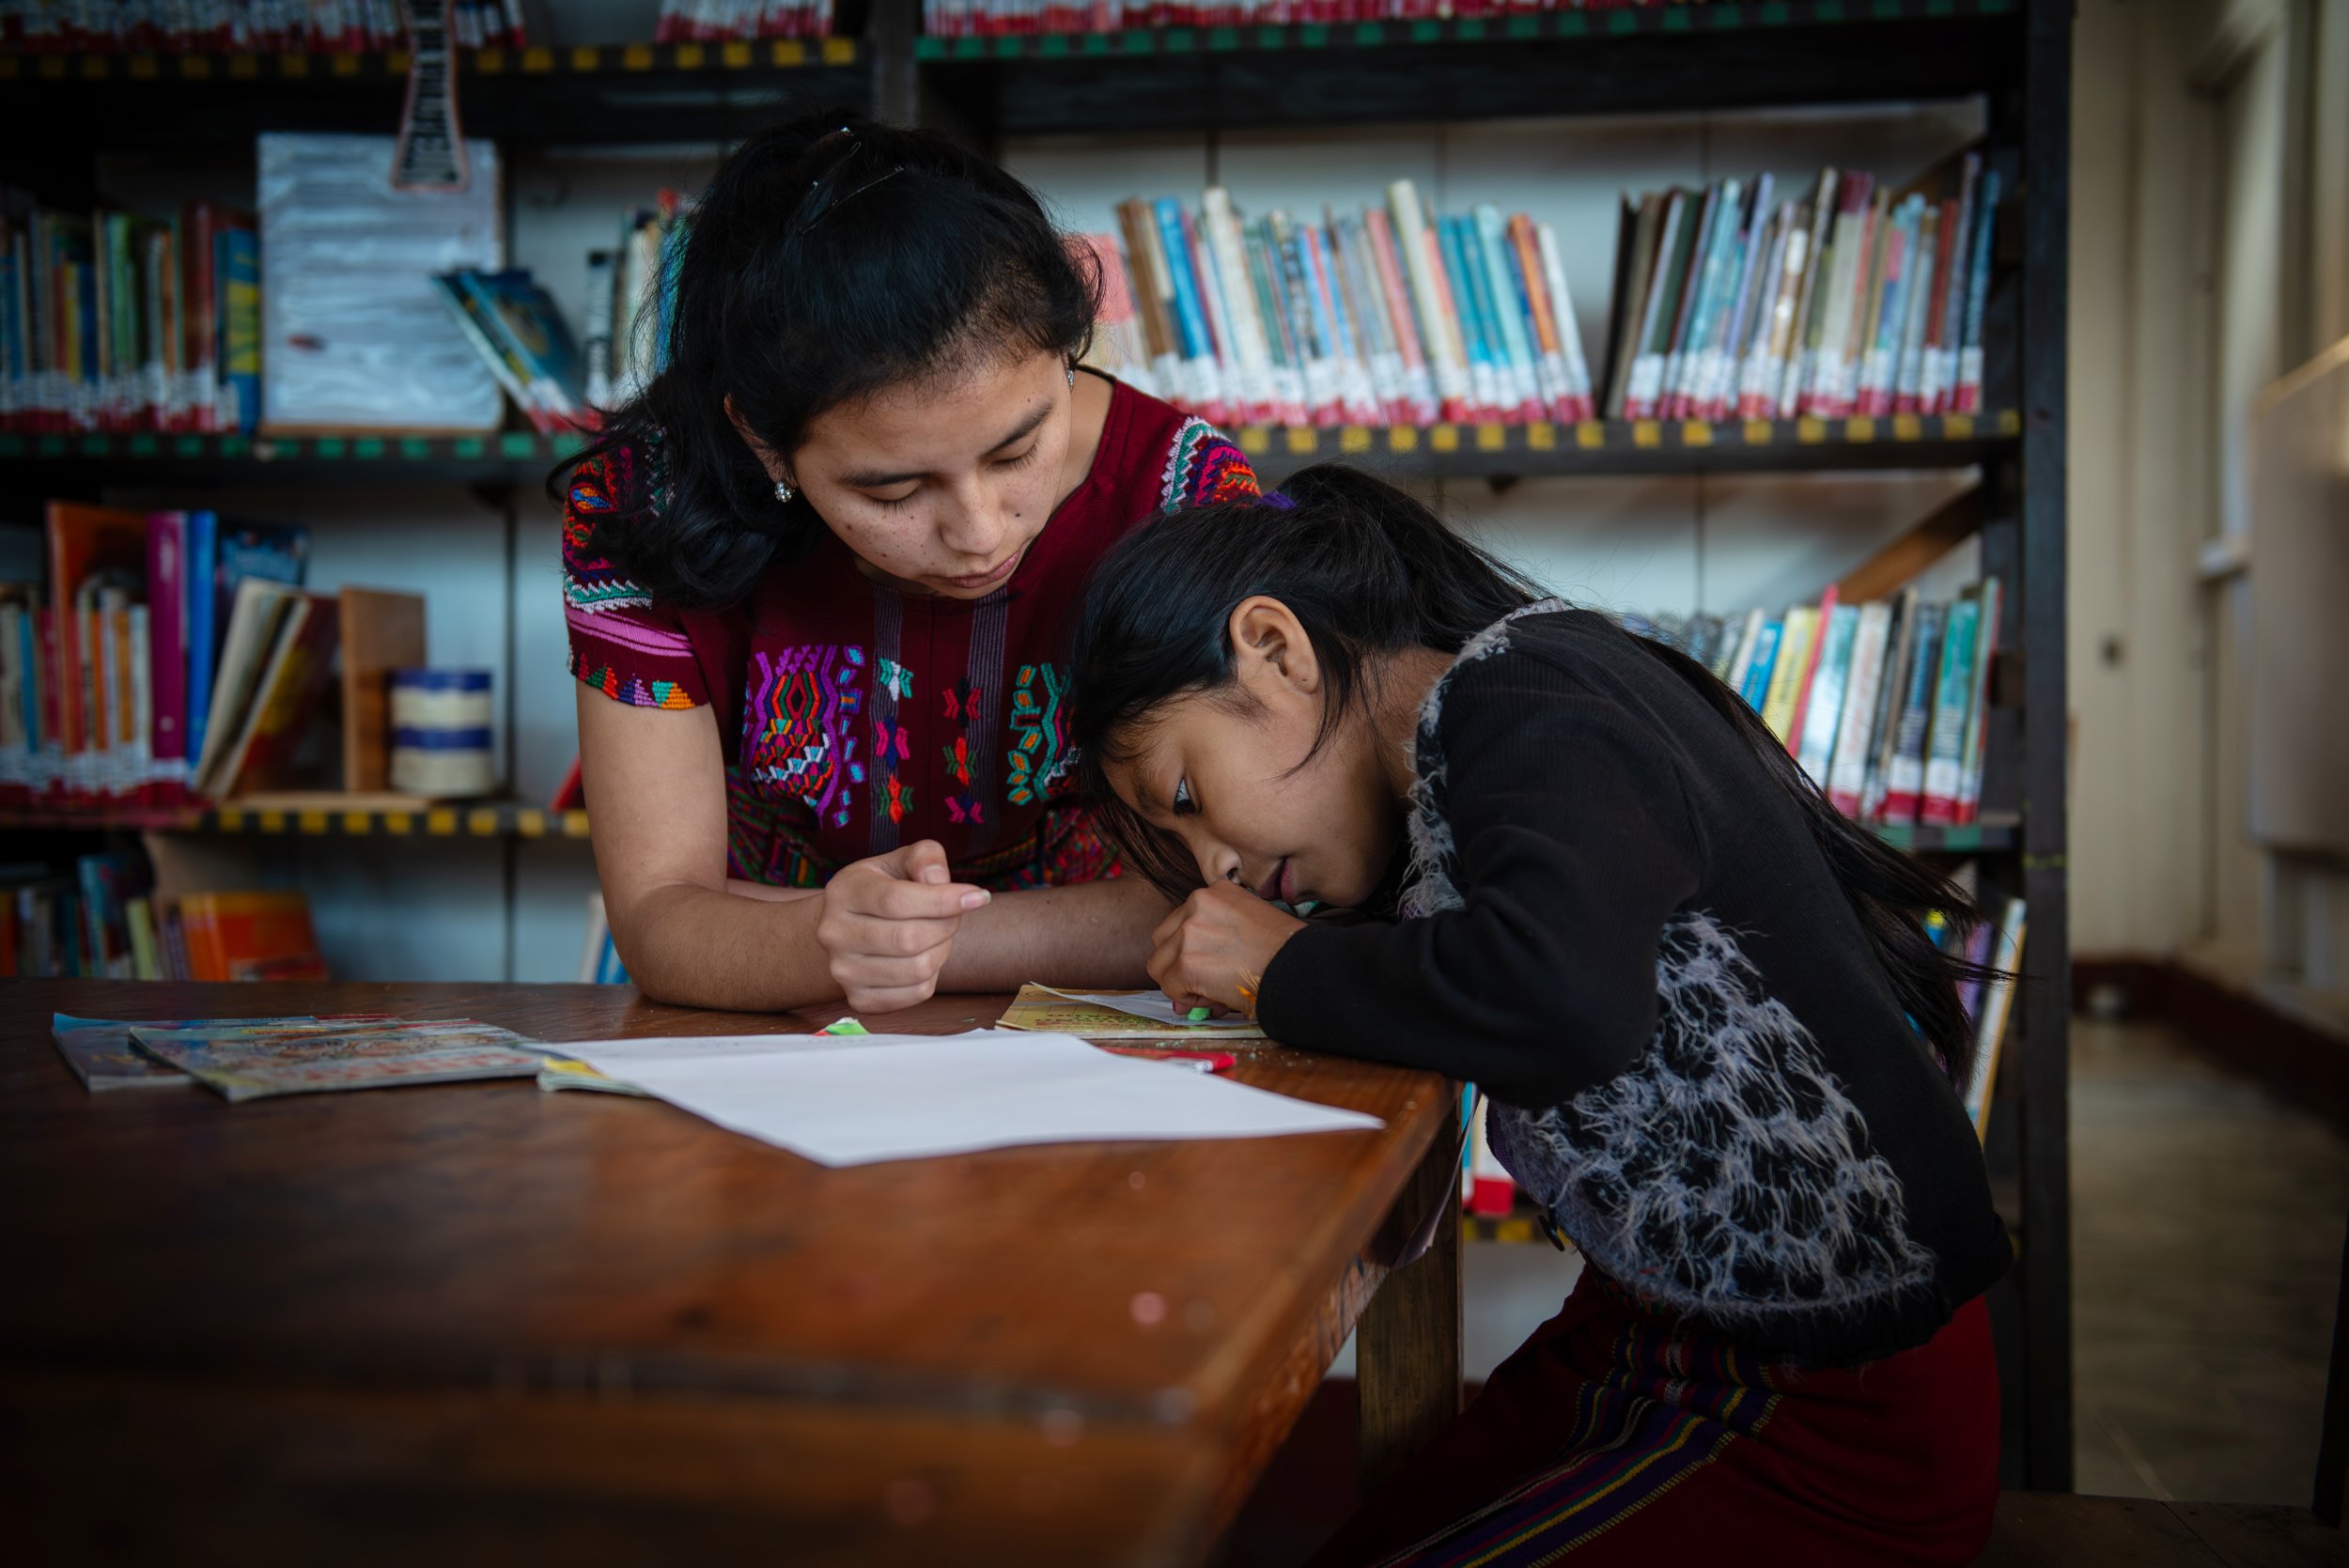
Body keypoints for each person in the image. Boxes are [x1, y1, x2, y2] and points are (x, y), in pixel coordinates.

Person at [1067, 464, 2010, 1565]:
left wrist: (1281, 969)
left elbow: (1563, 1001)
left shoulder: (1527, 700)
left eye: (1186, 798)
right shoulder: (1455, 766)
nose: (1213, 866)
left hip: (1830, 1401)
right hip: (1651, 1334)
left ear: (1276, 649)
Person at [558, 112, 1260, 1013]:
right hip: (786, 1041)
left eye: (1018, 450)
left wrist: (866, 941)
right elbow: (660, 915)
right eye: (893, 491)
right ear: (764, 442)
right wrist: (818, 942)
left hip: (1095, 1033)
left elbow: (1220, 899)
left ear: (1066, 353)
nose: (980, 531)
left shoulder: (1185, 498)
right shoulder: (638, 513)